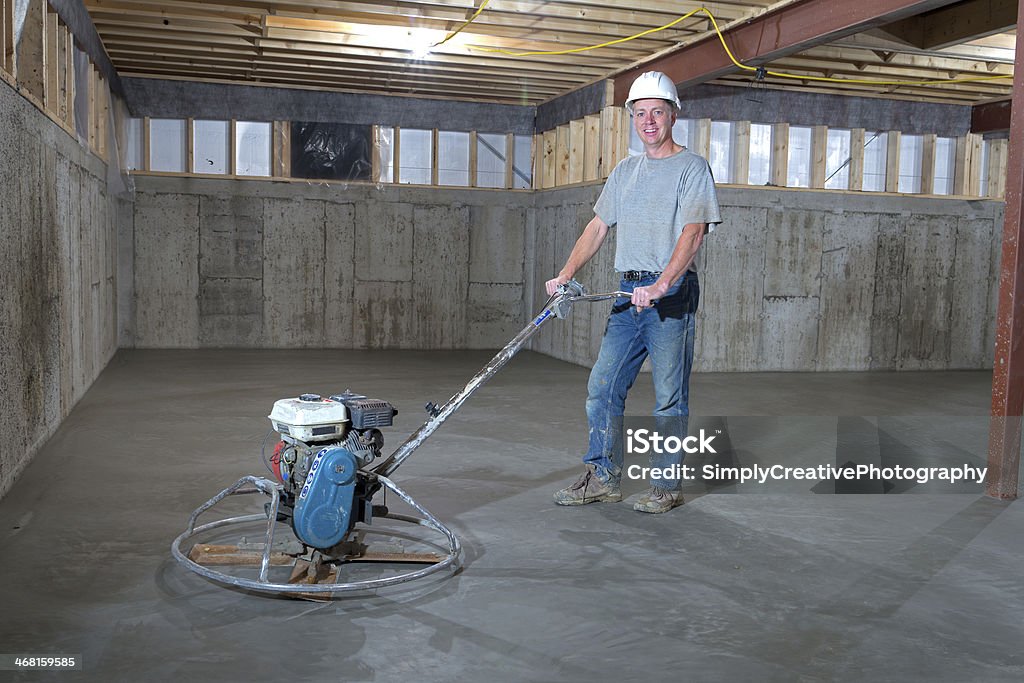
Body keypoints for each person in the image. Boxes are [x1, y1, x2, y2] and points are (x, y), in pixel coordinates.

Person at [547, 71, 722, 513]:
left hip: (672, 297)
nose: (648, 121)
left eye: (656, 112)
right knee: (602, 387)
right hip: (628, 296)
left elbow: (694, 231)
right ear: (632, 118)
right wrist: (566, 272)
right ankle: (603, 477)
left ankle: (666, 485)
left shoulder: (691, 167)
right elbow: (598, 226)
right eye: (640, 113)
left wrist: (663, 284)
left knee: (669, 396)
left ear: (673, 116)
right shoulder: (625, 171)